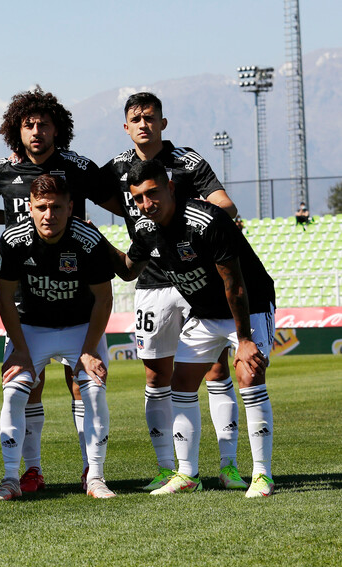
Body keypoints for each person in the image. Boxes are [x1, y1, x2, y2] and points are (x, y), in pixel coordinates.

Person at [0, 86, 112, 492]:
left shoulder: (78, 167)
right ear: (16, 131)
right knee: (29, 385)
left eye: (44, 124)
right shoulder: (3, 170)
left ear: (58, 130)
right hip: (28, 303)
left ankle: (92, 474)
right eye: (29, 125)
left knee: (83, 384)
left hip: (76, 304)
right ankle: (28, 471)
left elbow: (119, 200)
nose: (37, 131)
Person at [99, 92, 247, 491]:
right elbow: (81, 194)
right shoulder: (114, 167)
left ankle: (229, 466)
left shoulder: (187, 160)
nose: (143, 123)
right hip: (152, 281)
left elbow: (223, 203)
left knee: (216, 369)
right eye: (136, 118)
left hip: (197, 278)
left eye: (150, 116)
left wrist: (218, 215)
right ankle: (170, 468)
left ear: (163, 122)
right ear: (126, 127)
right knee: (155, 373)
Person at [110, 160, 275, 497]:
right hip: (205, 313)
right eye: (139, 198)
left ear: (170, 188)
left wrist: (243, 340)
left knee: (248, 373)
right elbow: (128, 271)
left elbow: (236, 284)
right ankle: (188, 474)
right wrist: (97, 244)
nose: (146, 204)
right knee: (181, 383)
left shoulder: (206, 221)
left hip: (248, 306)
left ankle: (262, 475)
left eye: (153, 193)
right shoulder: (145, 229)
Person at [0, 174, 116, 500]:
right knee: (14, 392)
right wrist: (19, 349)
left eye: (58, 207)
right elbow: (4, 298)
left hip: (79, 327)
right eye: (43, 207)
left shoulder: (89, 239)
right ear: (30, 208)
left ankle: (96, 477)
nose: (50, 215)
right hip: (31, 328)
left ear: (71, 208)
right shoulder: (12, 240)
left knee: (93, 391)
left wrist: (89, 350)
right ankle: (12, 479)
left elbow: (104, 299)